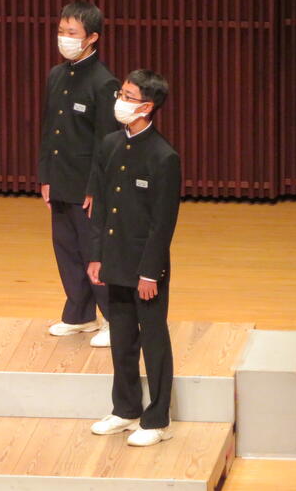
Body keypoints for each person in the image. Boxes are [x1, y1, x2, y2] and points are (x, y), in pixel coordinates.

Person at [87, 69, 180, 447]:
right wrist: (96, 257)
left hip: (145, 269)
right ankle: (125, 409)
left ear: (147, 106)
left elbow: (163, 223)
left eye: (128, 96)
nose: (120, 101)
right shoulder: (110, 144)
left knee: (153, 342)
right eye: (120, 94)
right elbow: (101, 206)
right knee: (122, 339)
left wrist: (149, 273)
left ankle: (157, 419)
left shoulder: (163, 156)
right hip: (115, 260)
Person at [38, 1, 120, 347]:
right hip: (60, 179)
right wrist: (45, 176)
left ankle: (115, 319)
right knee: (67, 250)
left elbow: (107, 142)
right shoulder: (57, 75)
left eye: (72, 33)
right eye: (61, 31)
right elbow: (49, 130)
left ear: (92, 38)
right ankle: (80, 315)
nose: (64, 38)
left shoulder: (104, 82)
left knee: (93, 253)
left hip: (87, 184)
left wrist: (95, 187)